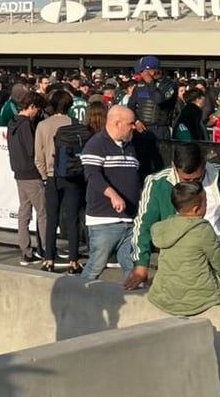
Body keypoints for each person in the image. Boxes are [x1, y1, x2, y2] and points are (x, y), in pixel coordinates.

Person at [124, 142, 220, 290]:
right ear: (174, 167)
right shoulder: (157, 183)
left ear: (204, 164)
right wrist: (141, 264)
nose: (192, 184)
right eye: (185, 180)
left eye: (197, 179)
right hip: (178, 272)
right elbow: (143, 225)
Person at [145, 181, 220, 316]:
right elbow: (219, 263)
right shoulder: (202, 229)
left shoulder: (163, 228)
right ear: (196, 210)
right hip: (199, 298)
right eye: (206, 202)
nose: (207, 206)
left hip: (164, 296)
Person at [80, 105, 142, 279]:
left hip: (129, 218)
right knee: (96, 265)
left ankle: (134, 296)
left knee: (130, 262)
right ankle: (78, 296)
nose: (133, 127)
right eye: (130, 123)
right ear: (117, 123)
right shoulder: (96, 144)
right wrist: (113, 195)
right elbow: (93, 176)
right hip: (104, 219)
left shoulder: (129, 145)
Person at [34, 89, 85, 273]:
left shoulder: (43, 125)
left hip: (51, 176)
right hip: (72, 176)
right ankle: (73, 260)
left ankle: (48, 259)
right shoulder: (75, 124)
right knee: (72, 220)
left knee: (51, 219)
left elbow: (38, 156)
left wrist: (45, 175)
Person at [8, 91, 48, 265]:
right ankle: (45, 249)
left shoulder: (12, 123)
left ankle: (26, 250)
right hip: (32, 173)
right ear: (31, 106)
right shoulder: (26, 126)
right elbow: (33, 151)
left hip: (19, 172)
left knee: (24, 212)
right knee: (42, 212)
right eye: (37, 109)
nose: (37, 113)